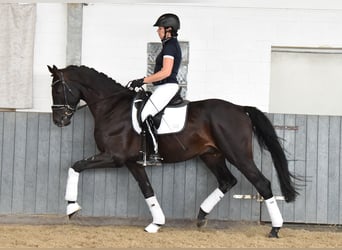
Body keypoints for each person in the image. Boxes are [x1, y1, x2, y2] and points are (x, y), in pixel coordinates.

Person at [130, 13, 182, 166]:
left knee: (146, 114)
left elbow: (166, 72)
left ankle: (154, 154)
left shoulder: (171, 46)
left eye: (160, 28)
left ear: (169, 29)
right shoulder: (168, 45)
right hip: (162, 86)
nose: (158, 31)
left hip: (167, 86)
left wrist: (143, 80)